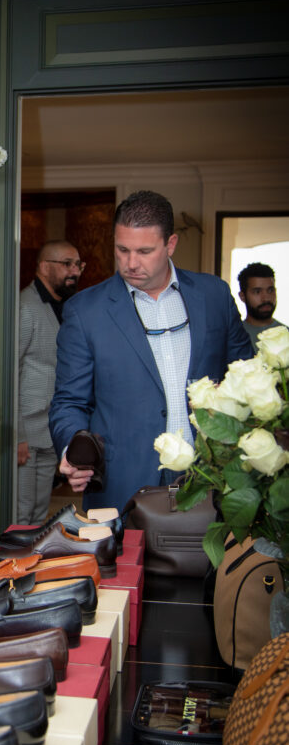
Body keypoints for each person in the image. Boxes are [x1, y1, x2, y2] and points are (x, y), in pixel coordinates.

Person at [49, 190, 254, 513]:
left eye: (145, 251)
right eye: (122, 250)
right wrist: (74, 451)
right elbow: (69, 401)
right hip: (120, 482)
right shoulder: (84, 311)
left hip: (209, 477)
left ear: (170, 245)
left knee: (206, 565)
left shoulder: (214, 295)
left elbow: (247, 374)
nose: (131, 263)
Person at [17, 241, 83, 524]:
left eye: (78, 264)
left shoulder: (67, 307)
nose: (74, 271)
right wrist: (16, 436)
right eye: (66, 264)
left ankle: (31, 566)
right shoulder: (24, 306)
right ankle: (11, 568)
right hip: (24, 435)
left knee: (38, 515)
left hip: (48, 431)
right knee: (19, 515)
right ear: (44, 267)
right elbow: (10, 371)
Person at [238, 262, 284, 352]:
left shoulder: (286, 334)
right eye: (257, 292)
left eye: (270, 290)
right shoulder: (235, 338)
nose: (266, 298)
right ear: (242, 296)